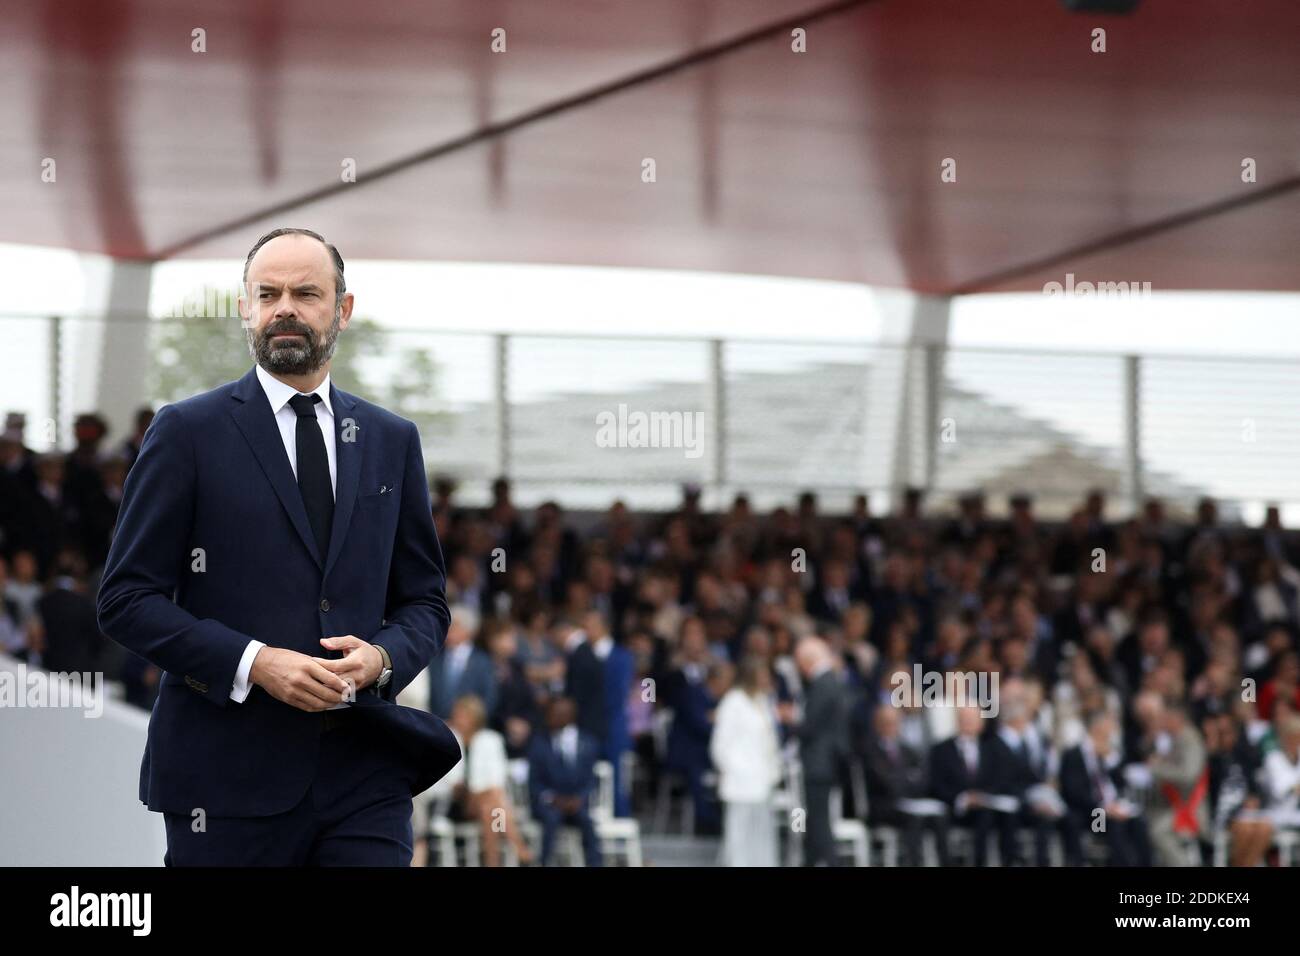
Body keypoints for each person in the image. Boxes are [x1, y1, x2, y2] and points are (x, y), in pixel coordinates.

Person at [96, 227, 460, 866]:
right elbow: (126, 599)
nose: (283, 308)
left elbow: (424, 601)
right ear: (245, 308)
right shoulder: (185, 433)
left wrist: (382, 659)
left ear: (342, 309)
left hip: (365, 772)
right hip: (226, 780)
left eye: (305, 293)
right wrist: (253, 662)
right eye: (267, 294)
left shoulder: (390, 439)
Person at [710, 655, 781, 866]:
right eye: (762, 674)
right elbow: (720, 745)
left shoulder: (763, 701)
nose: (767, 679)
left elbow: (769, 739)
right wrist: (735, 769)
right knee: (738, 836)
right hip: (740, 782)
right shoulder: (733, 702)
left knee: (761, 834)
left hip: (763, 780)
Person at [527, 696, 602, 866]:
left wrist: (579, 798)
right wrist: (553, 799)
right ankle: (545, 862)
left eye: (555, 713)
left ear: (568, 716)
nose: (549, 717)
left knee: (587, 821)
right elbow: (534, 783)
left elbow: (591, 780)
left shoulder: (587, 742)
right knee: (552, 819)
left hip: (577, 803)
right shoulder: (539, 743)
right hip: (550, 804)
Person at [794, 636, 849, 866]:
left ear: (806, 661)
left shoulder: (823, 682)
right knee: (814, 822)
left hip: (818, 763)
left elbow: (810, 725)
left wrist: (791, 721)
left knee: (818, 822)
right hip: (826, 763)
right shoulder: (832, 681)